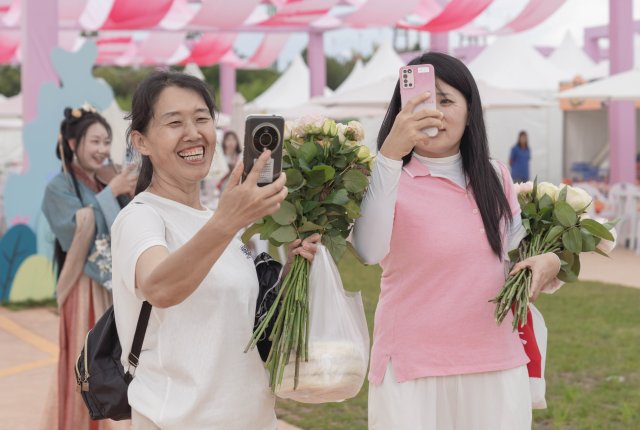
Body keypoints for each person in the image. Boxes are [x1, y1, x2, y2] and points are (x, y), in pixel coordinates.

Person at [352, 52, 562, 430]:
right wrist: (389, 157)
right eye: (419, 102)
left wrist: (551, 263)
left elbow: (518, 257)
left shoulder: (495, 176)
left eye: (446, 100)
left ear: (470, 110)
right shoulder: (384, 175)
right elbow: (368, 251)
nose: (433, 112)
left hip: (495, 363)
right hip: (412, 367)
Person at [110, 71, 320, 430]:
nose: (193, 133)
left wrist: (291, 274)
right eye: (174, 122)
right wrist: (227, 220)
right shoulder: (141, 217)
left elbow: (234, 319)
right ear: (141, 141)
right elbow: (160, 288)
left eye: (202, 118)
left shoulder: (214, 219)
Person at [41, 106, 137, 430]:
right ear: (71, 143)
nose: (102, 150)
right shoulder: (58, 188)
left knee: (115, 363)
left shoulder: (104, 181)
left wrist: (125, 192)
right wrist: (112, 192)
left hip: (114, 288)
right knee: (86, 366)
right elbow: (75, 228)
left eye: (106, 142)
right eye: (94, 141)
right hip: (84, 288)